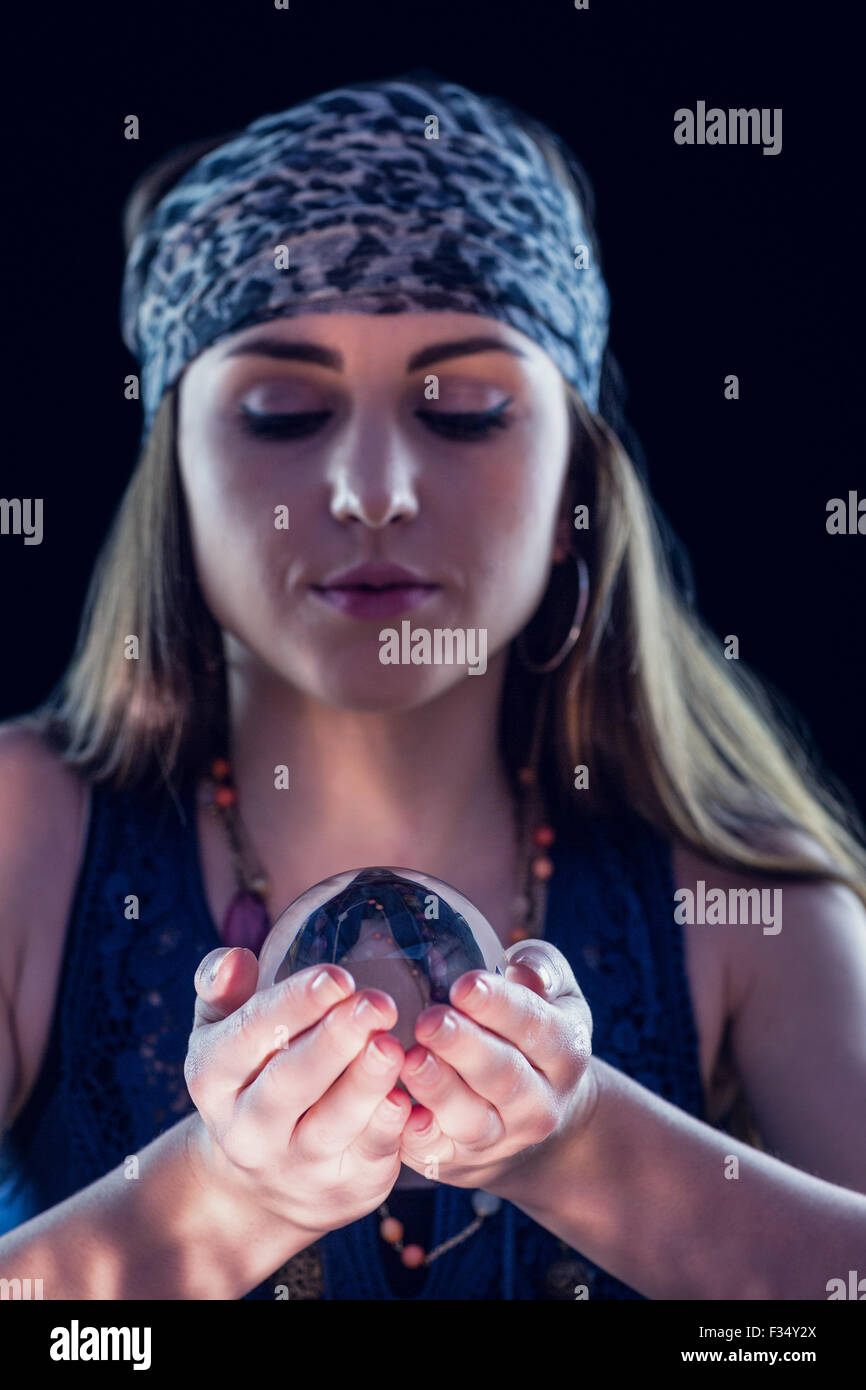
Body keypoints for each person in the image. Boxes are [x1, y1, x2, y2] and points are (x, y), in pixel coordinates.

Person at [0, 71, 864, 1302]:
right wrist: (224, 1203)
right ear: (173, 481)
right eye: (281, 409)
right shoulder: (27, 834)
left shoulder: (739, 889)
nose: (371, 487)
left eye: (461, 410)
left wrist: (587, 1150)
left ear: (576, 491)